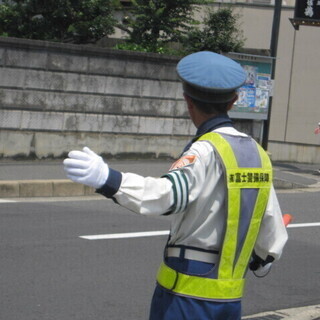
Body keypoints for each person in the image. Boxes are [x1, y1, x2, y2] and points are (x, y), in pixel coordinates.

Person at [63, 51, 288, 320]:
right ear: (234, 101)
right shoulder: (258, 154)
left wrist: (108, 179)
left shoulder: (205, 151)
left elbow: (169, 196)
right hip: (230, 300)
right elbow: (270, 218)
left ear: (187, 101)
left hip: (185, 296)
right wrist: (265, 257)